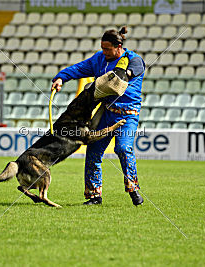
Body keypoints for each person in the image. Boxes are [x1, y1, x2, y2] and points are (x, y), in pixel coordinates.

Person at [51, 26, 145, 206]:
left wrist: (125, 74)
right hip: (106, 113)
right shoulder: (99, 59)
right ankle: (94, 196)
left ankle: (133, 189)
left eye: (107, 49)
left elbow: (135, 69)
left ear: (119, 46)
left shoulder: (133, 59)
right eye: (102, 48)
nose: (104, 52)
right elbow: (78, 69)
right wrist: (61, 77)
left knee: (123, 149)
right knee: (93, 151)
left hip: (128, 115)